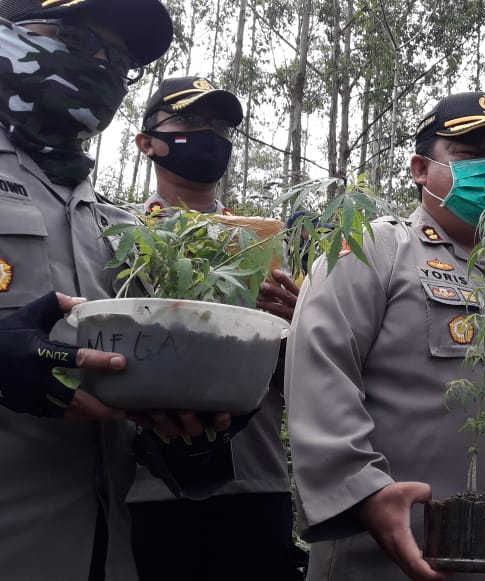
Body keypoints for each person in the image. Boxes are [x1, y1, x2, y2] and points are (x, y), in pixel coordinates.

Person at [286, 92, 485, 580]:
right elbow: (318, 367)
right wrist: (362, 491)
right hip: (393, 557)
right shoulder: (374, 250)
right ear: (420, 169)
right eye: (470, 156)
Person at [0, 1, 246, 578]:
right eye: (79, 42)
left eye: (121, 61)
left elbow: (132, 414)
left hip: (104, 556)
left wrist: (191, 442)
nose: (104, 68)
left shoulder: (121, 230)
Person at [127, 76, 304, 581]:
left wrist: (298, 329)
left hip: (255, 482)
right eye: (189, 122)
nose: (209, 135)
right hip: (144, 488)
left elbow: (297, 380)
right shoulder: (114, 236)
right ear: (145, 142)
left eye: (220, 126)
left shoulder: (265, 244)